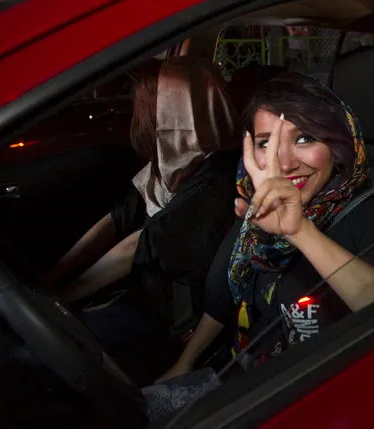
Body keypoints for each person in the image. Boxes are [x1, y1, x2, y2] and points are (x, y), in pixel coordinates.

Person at [158, 72, 374, 383]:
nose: (284, 162)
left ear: (337, 147)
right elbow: (221, 300)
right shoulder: (258, 212)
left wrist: (299, 231)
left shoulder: (368, 217)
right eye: (266, 143)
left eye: (305, 138)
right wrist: (185, 363)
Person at [44, 57, 241, 378]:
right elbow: (116, 221)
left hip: (166, 323)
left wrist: (66, 296)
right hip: (139, 298)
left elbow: (140, 244)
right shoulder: (174, 164)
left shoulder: (217, 174)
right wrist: (52, 277)